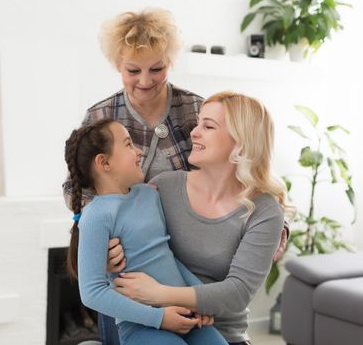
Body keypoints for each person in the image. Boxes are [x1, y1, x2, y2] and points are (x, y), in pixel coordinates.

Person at [61, 7, 288, 344]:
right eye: (132, 70)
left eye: (157, 68)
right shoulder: (102, 116)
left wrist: (274, 228)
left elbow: (247, 172)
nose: (145, 81)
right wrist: (103, 241)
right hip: (132, 285)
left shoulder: (197, 110)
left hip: (189, 283)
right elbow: (79, 184)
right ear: (116, 66)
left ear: (170, 61)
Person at [111, 91, 293, 344]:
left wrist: (160, 294)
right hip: (154, 324)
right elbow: (131, 244)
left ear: (241, 142)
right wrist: (113, 255)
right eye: (198, 123)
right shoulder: (162, 188)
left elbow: (238, 292)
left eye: (208, 126)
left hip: (223, 334)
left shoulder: (264, 211)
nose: (194, 133)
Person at [64, 118, 229, 345]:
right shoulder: (96, 216)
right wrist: (159, 318)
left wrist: (199, 299)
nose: (138, 152)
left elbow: (166, 257)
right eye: (128, 144)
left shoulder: (149, 195)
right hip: (141, 326)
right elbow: (92, 292)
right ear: (104, 163)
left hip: (185, 314)